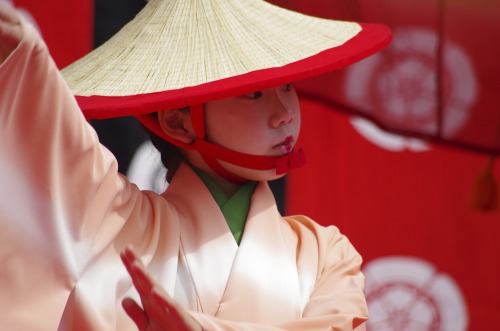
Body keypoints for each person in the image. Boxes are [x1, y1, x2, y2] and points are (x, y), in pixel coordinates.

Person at [0, 0, 391, 330]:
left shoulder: (326, 254)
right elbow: (40, 112)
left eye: (287, 87)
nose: (283, 114)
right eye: (254, 94)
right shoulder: (109, 218)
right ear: (178, 121)